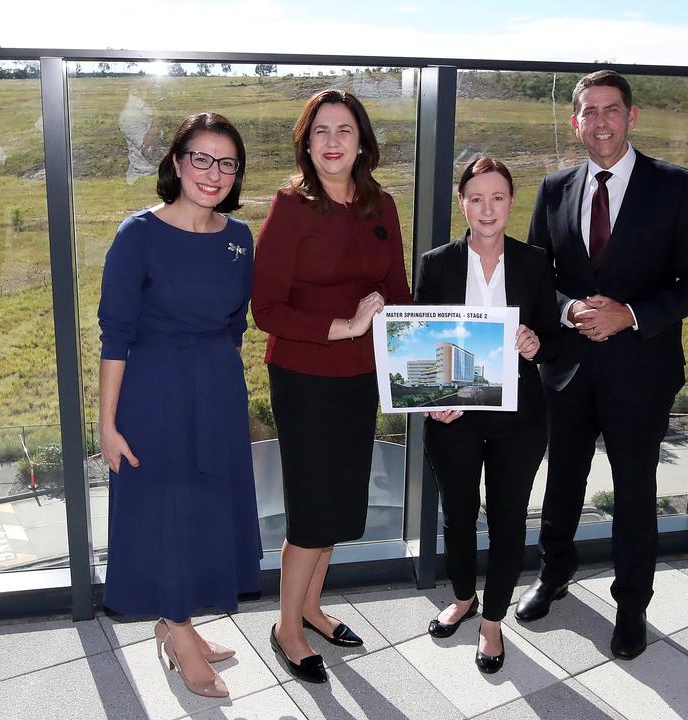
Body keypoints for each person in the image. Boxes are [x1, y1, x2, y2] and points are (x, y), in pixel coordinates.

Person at [516, 70, 688, 661]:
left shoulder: (676, 187)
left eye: (612, 110)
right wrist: (571, 306)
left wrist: (630, 314)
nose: (600, 121)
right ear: (576, 121)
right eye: (589, 111)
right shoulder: (555, 188)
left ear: (631, 117)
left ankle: (632, 604)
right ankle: (554, 574)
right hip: (568, 369)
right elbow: (538, 280)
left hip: (641, 371)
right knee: (562, 483)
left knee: (635, 491)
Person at [98, 112, 260, 699]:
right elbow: (114, 335)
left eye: (227, 163)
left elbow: (239, 325)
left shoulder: (239, 238)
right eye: (201, 159)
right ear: (175, 162)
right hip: (155, 393)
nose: (213, 173)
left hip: (217, 390)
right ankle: (181, 635)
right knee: (166, 510)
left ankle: (176, 621)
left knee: (207, 507)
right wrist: (107, 423)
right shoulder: (137, 234)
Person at [252, 89, 411, 684]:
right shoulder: (291, 206)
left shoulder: (382, 206)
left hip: (361, 377)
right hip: (303, 376)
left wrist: (432, 360)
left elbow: (399, 293)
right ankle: (286, 628)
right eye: (321, 131)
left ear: (362, 141)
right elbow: (265, 309)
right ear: (306, 142)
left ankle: (312, 607)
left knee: (342, 502)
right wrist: (341, 326)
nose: (333, 141)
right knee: (312, 510)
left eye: (345, 130)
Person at [415, 156, 560, 674]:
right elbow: (422, 339)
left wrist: (536, 341)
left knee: (506, 518)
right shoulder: (437, 263)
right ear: (462, 203)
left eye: (497, 197)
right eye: (476, 198)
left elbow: (554, 337)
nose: (487, 208)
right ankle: (461, 597)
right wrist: (437, 401)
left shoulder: (536, 261)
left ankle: (492, 620)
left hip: (519, 417)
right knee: (457, 513)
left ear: (511, 202)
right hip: (455, 415)